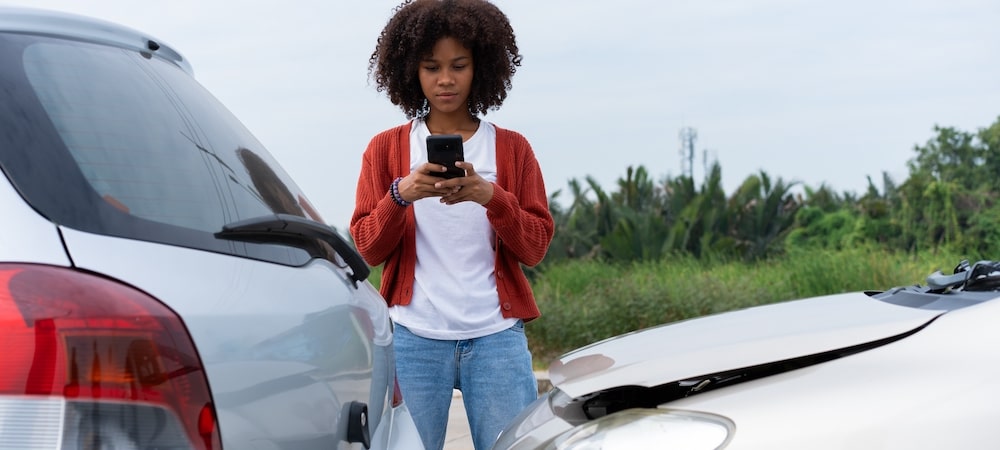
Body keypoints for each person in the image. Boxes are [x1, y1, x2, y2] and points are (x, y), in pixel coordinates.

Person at [349, 1, 554, 449]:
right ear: (411, 72)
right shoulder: (385, 150)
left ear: (480, 67)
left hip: (496, 339)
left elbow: (535, 247)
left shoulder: (512, 150)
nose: (445, 79)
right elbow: (367, 248)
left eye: (459, 65)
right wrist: (402, 194)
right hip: (412, 338)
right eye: (431, 67)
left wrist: (490, 196)